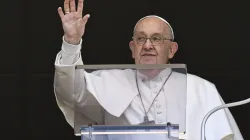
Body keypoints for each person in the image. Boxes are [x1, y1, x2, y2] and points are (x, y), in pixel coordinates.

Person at [54, 0, 243, 139]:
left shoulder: (202, 88)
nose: (147, 45)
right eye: (140, 39)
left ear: (172, 49)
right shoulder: (108, 81)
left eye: (157, 39)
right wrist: (72, 42)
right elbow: (70, 93)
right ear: (132, 48)